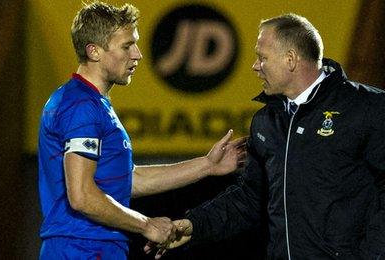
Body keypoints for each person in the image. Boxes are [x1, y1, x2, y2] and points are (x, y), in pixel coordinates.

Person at [149, 13, 385, 259]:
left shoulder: (367, 107)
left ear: (290, 59)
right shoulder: (266, 122)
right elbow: (249, 199)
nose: (255, 66)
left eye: (262, 57)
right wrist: (196, 225)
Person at [37, 2, 246, 259]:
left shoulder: (90, 103)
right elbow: (81, 196)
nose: (137, 54)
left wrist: (207, 166)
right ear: (94, 51)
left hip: (92, 247)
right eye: (126, 46)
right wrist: (146, 224)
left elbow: (127, 180)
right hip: (82, 249)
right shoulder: (81, 106)